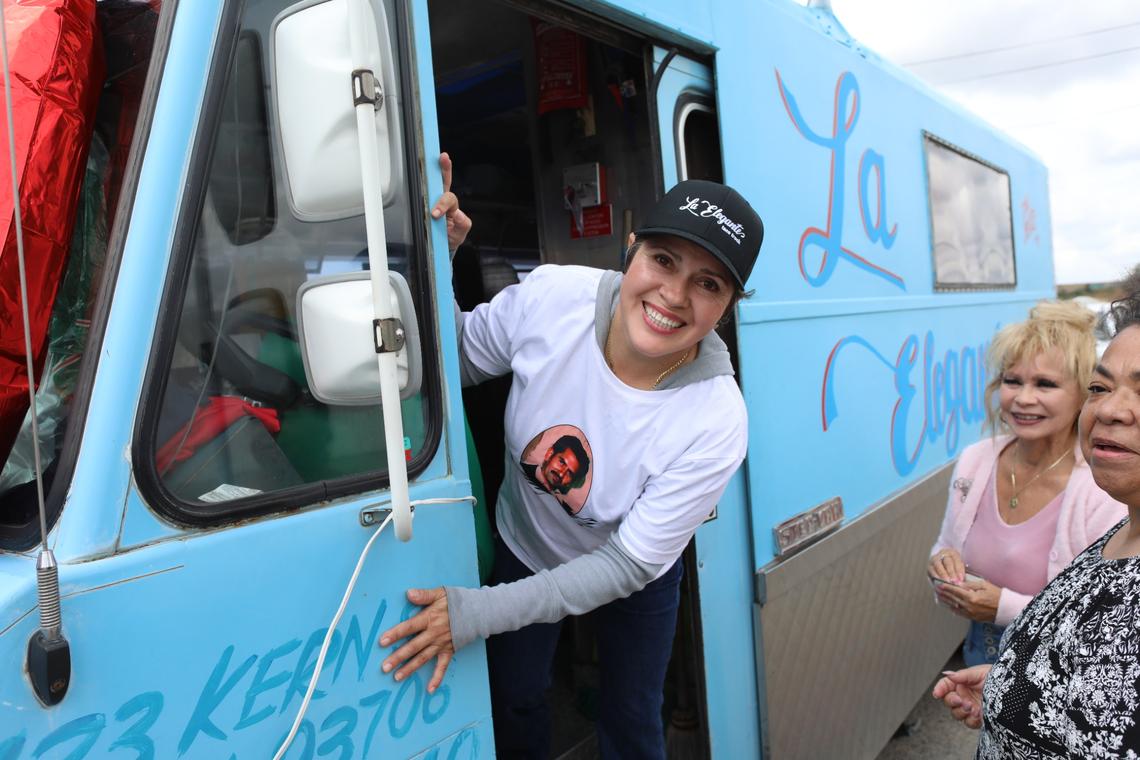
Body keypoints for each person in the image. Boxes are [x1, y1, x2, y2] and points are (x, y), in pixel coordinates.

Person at [378, 155, 763, 758]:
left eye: (708, 284)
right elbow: (455, 360)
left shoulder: (716, 420)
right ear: (631, 250)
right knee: (516, 694)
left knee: (633, 717)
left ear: (728, 306)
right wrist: (440, 255)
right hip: (525, 543)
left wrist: (478, 612)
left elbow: (625, 567)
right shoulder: (553, 299)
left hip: (634, 575)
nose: (674, 294)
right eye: (664, 260)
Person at [934, 292, 1140, 756]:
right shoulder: (976, 461)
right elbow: (945, 548)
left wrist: (1000, 606)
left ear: (1077, 393)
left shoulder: (1106, 485)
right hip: (988, 655)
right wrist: (944, 571)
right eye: (1012, 380)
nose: (1024, 398)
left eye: (1045, 384)